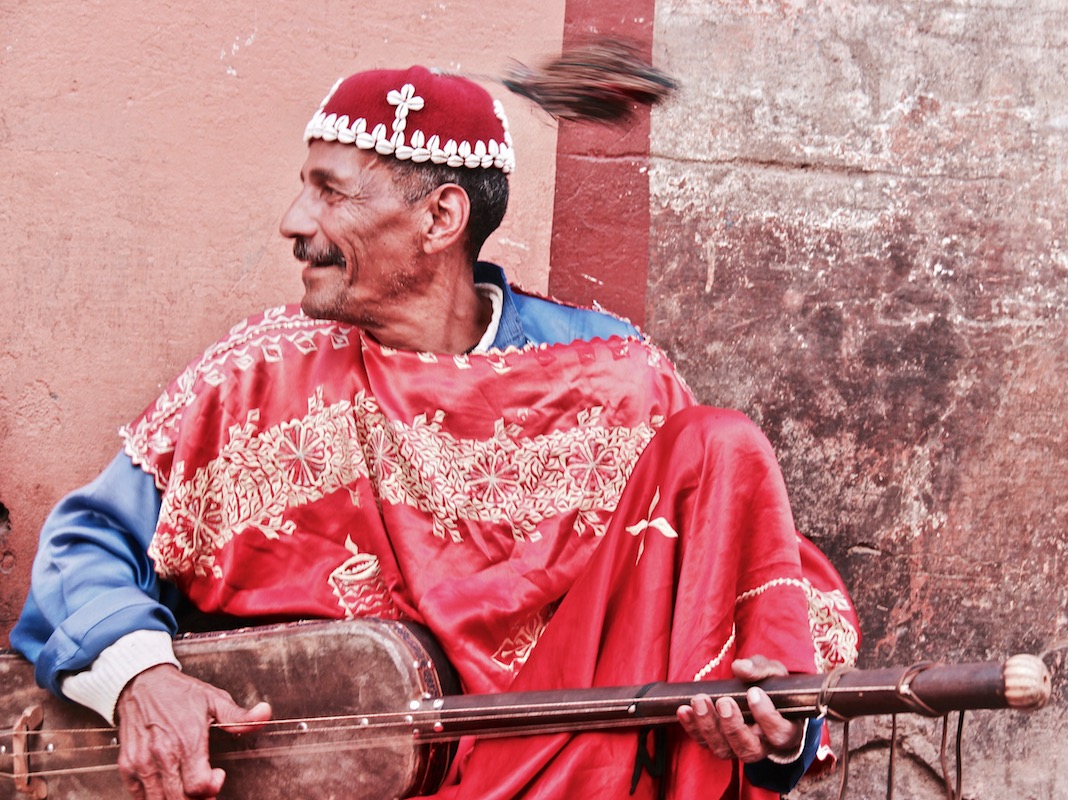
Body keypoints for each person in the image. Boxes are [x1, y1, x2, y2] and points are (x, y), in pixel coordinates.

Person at [12, 66, 859, 799]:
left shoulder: (620, 380)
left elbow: (752, 568)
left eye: (330, 190)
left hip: (581, 767)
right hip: (352, 781)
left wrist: (780, 730)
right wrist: (142, 679)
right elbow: (88, 541)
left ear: (441, 217)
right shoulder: (254, 377)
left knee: (719, 444)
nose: (293, 221)